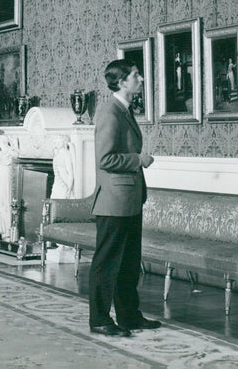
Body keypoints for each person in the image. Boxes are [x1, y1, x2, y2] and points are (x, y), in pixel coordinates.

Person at [89, 59, 160, 337]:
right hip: (114, 202)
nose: (141, 79)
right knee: (107, 263)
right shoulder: (110, 112)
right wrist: (138, 159)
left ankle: (129, 316)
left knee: (129, 263)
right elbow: (104, 159)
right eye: (135, 75)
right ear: (121, 82)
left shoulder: (124, 110)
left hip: (129, 199)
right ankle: (99, 320)